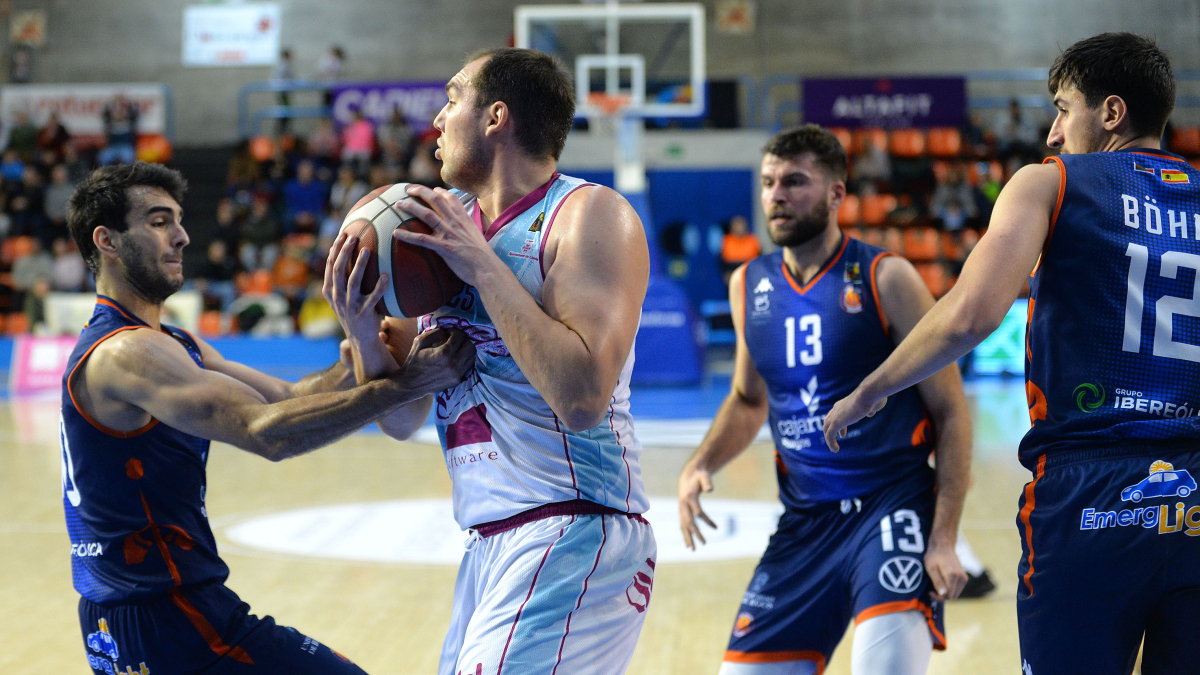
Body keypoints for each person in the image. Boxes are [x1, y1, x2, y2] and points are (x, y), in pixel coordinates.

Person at [823, 33, 1194, 674]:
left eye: (1062, 108)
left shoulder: (1049, 183)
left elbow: (970, 314)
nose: (1052, 133)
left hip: (1089, 487)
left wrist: (871, 388)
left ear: (1110, 113)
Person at [61, 162, 475, 674]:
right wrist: (409, 385)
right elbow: (267, 432)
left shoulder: (173, 345)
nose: (183, 236)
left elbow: (284, 396)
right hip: (166, 618)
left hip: (149, 613)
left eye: (178, 220)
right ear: (108, 241)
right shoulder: (125, 354)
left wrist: (357, 346)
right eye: (159, 221)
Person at [325, 48, 655, 675]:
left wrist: (478, 261)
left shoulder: (588, 216)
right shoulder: (435, 234)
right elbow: (400, 422)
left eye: (453, 99)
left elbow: (582, 399)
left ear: (496, 116)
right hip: (486, 542)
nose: (437, 122)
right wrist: (365, 333)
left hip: (575, 525)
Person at [678, 125, 969, 675]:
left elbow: (952, 412)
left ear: (837, 193)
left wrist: (945, 538)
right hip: (804, 523)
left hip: (890, 510)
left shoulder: (888, 278)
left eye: (794, 181)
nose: (777, 196)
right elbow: (747, 400)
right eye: (768, 183)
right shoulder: (748, 285)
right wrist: (701, 464)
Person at [98, 95, 139, 166]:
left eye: (122, 112)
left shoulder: (129, 122)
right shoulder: (110, 123)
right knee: (102, 158)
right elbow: (104, 113)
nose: (119, 113)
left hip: (126, 146)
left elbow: (135, 112)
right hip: (112, 147)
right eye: (117, 112)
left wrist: (127, 101)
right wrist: (112, 101)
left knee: (128, 158)